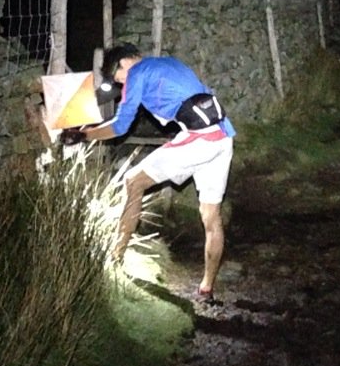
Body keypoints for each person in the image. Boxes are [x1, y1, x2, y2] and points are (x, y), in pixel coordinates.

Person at [61, 43, 235, 302]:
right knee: (211, 216)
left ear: (124, 63)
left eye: (117, 78)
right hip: (223, 137)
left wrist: (83, 134)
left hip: (198, 141)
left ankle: (115, 259)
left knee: (133, 182)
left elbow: (120, 127)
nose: (120, 85)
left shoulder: (137, 73)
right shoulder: (171, 63)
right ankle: (206, 288)